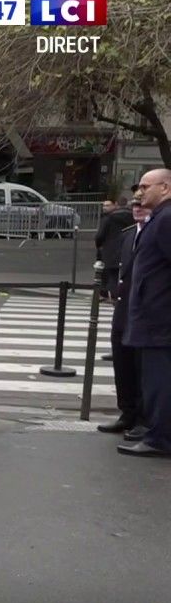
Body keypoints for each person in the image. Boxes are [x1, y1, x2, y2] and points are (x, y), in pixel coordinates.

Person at [118, 168, 171, 457]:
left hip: (159, 318)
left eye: (146, 186)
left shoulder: (166, 219)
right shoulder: (159, 218)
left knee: (159, 381)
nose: (139, 192)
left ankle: (159, 438)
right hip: (155, 316)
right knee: (155, 379)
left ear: (165, 188)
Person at [98, 202, 149, 439]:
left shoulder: (156, 233)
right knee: (122, 363)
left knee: (142, 368)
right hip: (123, 309)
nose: (138, 208)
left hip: (146, 312)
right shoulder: (128, 236)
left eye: (143, 205)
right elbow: (121, 270)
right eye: (135, 205)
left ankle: (143, 418)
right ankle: (126, 413)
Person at [96, 197, 134, 301]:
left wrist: (99, 245)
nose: (104, 208)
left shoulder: (109, 218)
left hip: (110, 249)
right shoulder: (133, 217)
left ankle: (113, 296)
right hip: (128, 247)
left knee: (112, 274)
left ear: (116, 205)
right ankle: (123, 296)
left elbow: (100, 235)